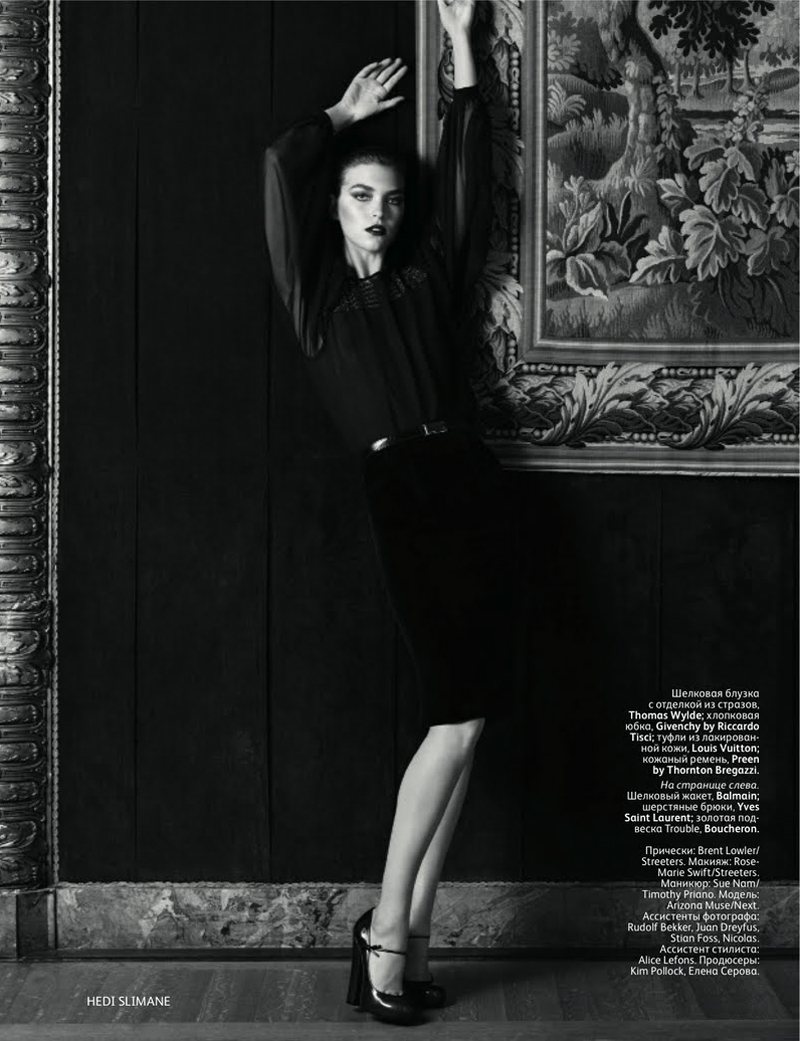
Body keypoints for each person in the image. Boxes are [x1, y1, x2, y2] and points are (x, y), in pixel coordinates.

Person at [263, 0, 513, 1024]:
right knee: (456, 719)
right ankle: (384, 932)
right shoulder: (316, 306)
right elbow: (277, 168)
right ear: (335, 207)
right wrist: (338, 116)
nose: (376, 211)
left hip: (472, 484)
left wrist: (461, 50)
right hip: (405, 496)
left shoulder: (425, 280)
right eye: (359, 196)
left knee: (470, 723)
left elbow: (467, 187)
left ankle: (408, 932)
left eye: (388, 200)